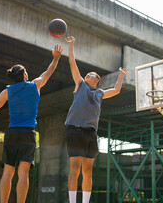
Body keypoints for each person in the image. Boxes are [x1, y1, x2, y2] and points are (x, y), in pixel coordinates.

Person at [0, 44, 63, 203]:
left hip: (12, 133)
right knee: (23, 173)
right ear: (25, 74)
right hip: (28, 134)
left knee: (8, 172)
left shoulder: (7, 91)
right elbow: (49, 72)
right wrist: (56, 57)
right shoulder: (35, 85)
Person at [64, 36, 128, 203]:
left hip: (91, 133)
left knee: (88, 171)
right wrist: (71, 45)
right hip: (75, 130)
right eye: (87, 74)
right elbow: (72, 63)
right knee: (75, 169)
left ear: (97, 80)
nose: (87, 74)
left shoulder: (100, 93)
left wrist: (121, 74)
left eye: (91, 74)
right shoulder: (80, 84)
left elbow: (116, 90)